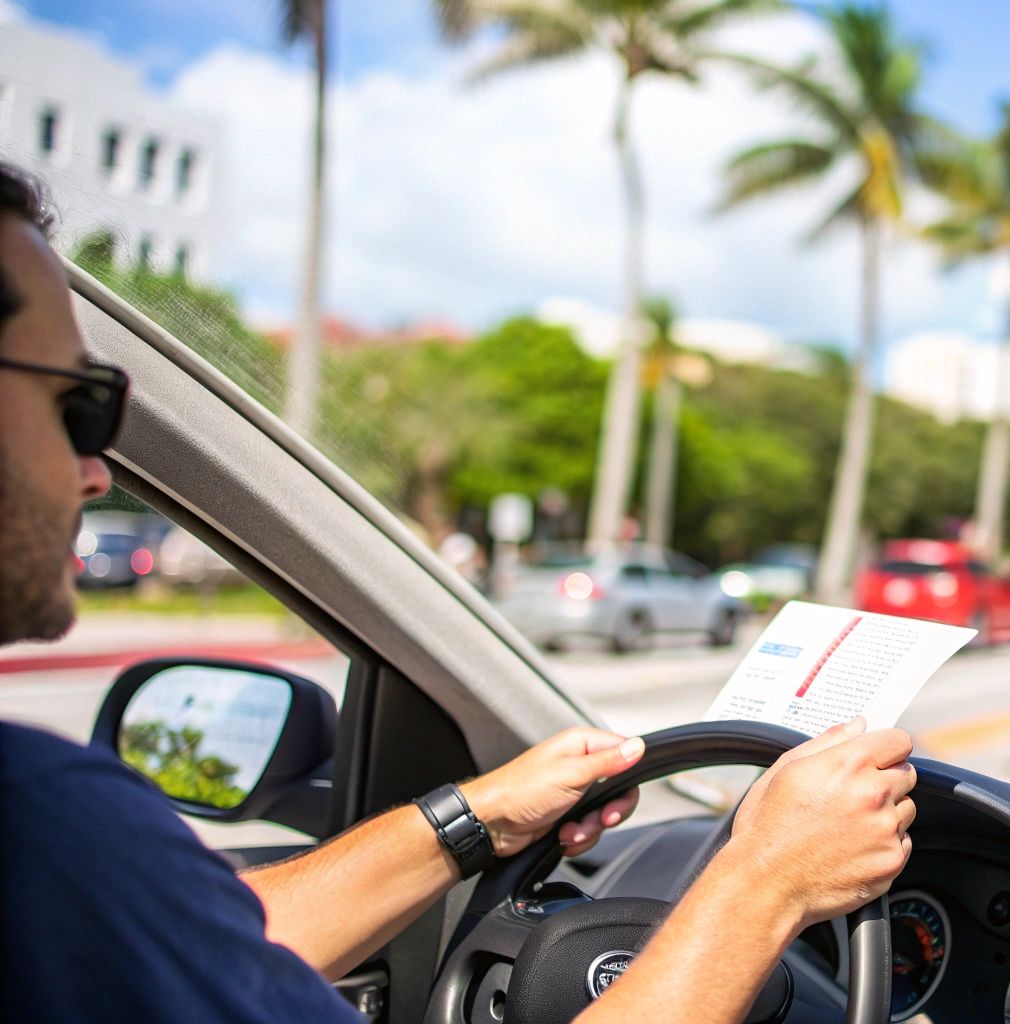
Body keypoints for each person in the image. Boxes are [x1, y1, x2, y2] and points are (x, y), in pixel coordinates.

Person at [0, 162, 916, 1022]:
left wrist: (477, 817)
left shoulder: (45, 845)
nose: (97, 468)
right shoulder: (35, 811)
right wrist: (766, 886)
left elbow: (213, 948)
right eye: (78, 405)